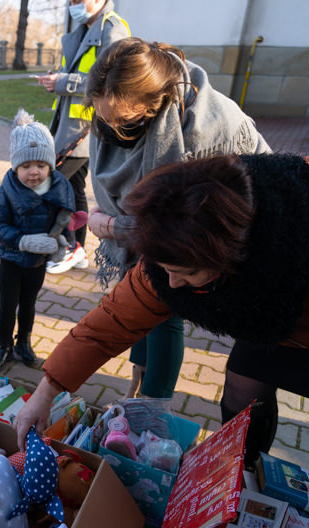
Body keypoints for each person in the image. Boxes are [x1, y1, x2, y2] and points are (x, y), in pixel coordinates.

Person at [12, 153, 309, 474]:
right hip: (275, 316)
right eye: (164, 268)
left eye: (184, 272)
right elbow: (112, 322)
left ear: (227, 257)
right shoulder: (180, 239)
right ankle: (243, 473)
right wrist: (46, 393)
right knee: (244, 382)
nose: (172, 283)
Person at [82, 38, 270, 400]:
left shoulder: (201, 133)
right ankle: (140, 374)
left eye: (123, 120)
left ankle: (153, 407)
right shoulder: (117, 116)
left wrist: (107, 226)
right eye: (103, 117)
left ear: (155, 106)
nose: (111, 130)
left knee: (167, 305)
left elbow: (175, 228)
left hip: (222, 228)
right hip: (168, 224)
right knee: (139, 288)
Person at [37, 0, 130, 275]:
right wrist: (58, 79)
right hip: (72, 125)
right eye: (71, 0)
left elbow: (110, 80)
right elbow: (79, 73)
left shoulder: (112, 29)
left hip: (86, 129)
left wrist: (63, 82)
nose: (74, 4)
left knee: (54, 187)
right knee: (73, 188)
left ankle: (69, 247)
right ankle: (76, 249)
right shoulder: (83, 29)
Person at [0, 110, 81, 371]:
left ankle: (23, 343)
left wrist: (64, 244)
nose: (33, 173)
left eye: (40, 166)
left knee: (28, 304)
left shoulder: (60, 188)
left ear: (50, 165)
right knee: (8, 305)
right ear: (15, 166)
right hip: (12, 258)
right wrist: (23, 241)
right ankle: (3, 346)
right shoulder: (8, 190)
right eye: (26, 166)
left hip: (38, 262)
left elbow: (66, 220)